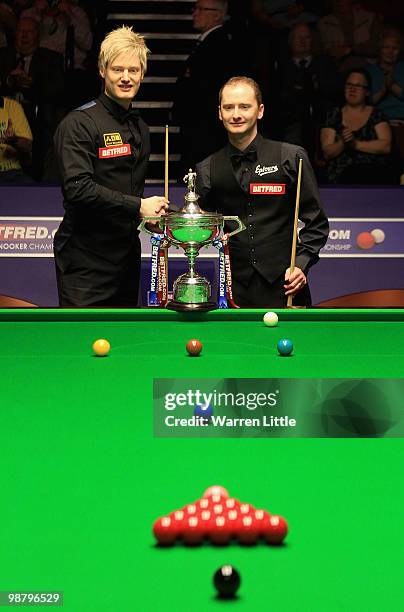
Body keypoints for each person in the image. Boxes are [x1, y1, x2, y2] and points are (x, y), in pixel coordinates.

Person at [53, 25, 168, 307]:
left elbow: (127, 190)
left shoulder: (140, 127)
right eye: (118, 69)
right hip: (85, 262)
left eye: (133, 70)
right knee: (84, 344)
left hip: (126, 259)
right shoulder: (79, 123)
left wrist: (150, 216)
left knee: (124, 345)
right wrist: (138, 206)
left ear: (143, 73)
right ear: (102, 70)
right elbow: (77, 189)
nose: (126, 78)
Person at [195, 76, 329, 307]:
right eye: (229, 107)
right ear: (220, 113)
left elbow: (316, 224)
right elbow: (199, 224)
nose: (236, 114)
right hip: (233, 289)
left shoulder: (291, 158)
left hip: (286, 285)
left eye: (244, 106)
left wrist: (301, 264)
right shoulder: (206, 168)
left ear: (260, 110)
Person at [172, 0, 239, 176]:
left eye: (201, 9)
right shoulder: (208, 41)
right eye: (195, 8)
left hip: (205, 131)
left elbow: (206, 90)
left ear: (217, 14)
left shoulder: (219, 43)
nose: (195, 13)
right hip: (198, 129)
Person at [0, 16, 65, 179]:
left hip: (37, 113)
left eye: (29, 32)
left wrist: (31, 84)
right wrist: (10, 81)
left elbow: (58, 90)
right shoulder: (2, 56)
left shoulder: (50, 58)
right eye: (21, 31)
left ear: (38, 35)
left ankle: (41, 179)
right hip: (6, 111)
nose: (24, 35)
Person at [278, 22, 341, 159]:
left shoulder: (325, 64)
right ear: (290, 41)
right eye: (298, 37)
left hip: (323, 122)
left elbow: (334, 93)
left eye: (306, 37)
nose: (302, 41)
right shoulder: (281, 69)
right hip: (292, 123)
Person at [320, 68, 393, 183]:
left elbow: (385, 146)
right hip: (340, 175)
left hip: (374, 172)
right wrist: (342, 143)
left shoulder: (377, 114)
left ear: (367, 92)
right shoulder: (333, 115)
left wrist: (355, 144)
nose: (352, 89)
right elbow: (327, 152)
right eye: (349, 84)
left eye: (358, 86)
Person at [0, 93, 32, 182]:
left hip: (10, 173)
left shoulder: (12, 107)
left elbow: (28, 146)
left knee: (33, 191)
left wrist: (12, 140)